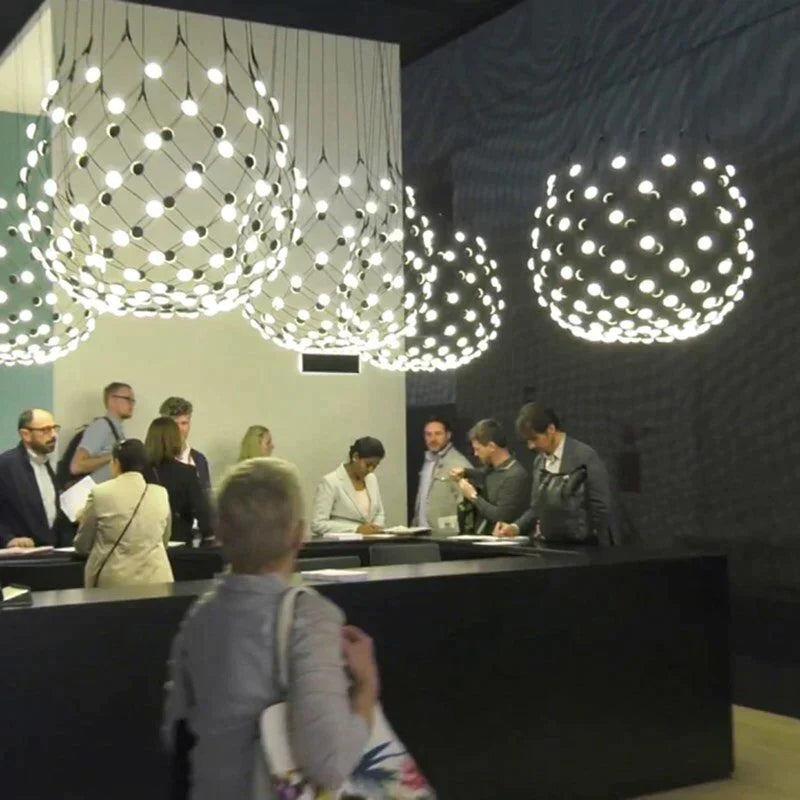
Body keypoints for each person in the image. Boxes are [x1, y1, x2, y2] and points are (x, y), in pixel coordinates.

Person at [162, 457, 378, 799]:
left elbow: (174, 730)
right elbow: (330, 763)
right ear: (298, 534)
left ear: (220, 533)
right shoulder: (310, 618)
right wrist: (366, 686)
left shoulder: (199, 616)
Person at [494, 403, 612, 545]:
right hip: (549, 546)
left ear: (551, 429)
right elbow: (537, 508)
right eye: (528, 441)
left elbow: (601, 509)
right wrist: (515, 528)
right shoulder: (539, 462)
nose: (531, 446)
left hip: (582, 548)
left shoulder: (585, 457)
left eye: (534, 439)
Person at [74, 439, 172, 587]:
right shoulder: (161, 493)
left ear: (116, 463)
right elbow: (164, 539)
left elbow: (82, 544)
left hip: (116, 581)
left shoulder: (100, 493)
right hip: (158, 579)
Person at [0, 409, 70, 548]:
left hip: (51, 550)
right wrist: (7, 539)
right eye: (45, 430)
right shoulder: (6, 465)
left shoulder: (48, 464)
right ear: (25, 434)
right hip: (20, 553)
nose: (53, 435)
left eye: (55, 428)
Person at [450, 418, 530, 535]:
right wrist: (465, 472)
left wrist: (473, 496)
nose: (475, 454)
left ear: (492, 446)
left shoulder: (515, 476)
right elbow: (484, 473)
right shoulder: (492, 469)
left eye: (477, 449)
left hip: (503, 541)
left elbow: (500, 516)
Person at [145, 417, 213, 545]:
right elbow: (203, 514)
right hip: (179, 540)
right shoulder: (187, 473)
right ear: (175, 439)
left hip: (147, 543)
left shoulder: (139, 473)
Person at [311, 437, 386, 537]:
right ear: (355, 457)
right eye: (368, 464)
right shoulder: (330, 482)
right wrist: (356, 529)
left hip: (371, 541)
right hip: (343, 544)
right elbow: (318, 524)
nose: (371, 470)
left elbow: (379, 513)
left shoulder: (371, 479)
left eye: (375, 466)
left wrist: (375, 528)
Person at [412, 417, 470, 537]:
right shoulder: (427, 461)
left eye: (438, 434)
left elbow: (468, 503)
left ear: (448, 435)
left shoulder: (458, 463)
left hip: (446, 536)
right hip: (421, 533)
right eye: (428, 434)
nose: (433, 439)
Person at [70, 382, 135, 483]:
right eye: (127, 399)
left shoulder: (115, 429)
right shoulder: (101, 426)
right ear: (112, 400)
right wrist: (113, 456)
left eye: (133, 400)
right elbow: (76, 466)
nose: (131, 404)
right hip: (94, 490)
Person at [159, 397, 211, 494]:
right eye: (174, 424)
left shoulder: (199, 460)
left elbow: (206, 495)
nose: (179, 429)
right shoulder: (153, 459)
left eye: (184, 423)